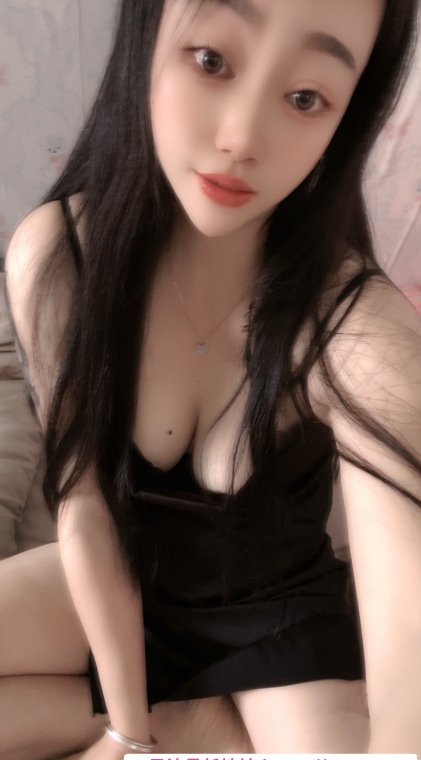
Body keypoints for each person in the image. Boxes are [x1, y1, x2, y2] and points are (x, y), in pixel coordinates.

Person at [2, 0, 421, 757]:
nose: (240, 138)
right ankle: (186, 720)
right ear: (147, 35)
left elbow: (409, 643)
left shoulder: (353, 323)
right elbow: (84, 509)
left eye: (305, 97)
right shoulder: (62, 255)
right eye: (211, 60)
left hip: (277, 625)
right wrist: (127, 729)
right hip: (110, 584)